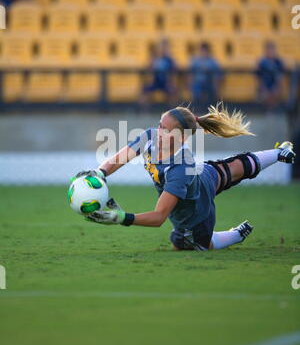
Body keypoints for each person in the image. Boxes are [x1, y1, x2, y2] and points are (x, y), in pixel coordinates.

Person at [75, 103, 296, 252]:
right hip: (204, 176)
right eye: (160, 124)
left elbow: (159, 216)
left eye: (165, 129)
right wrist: (100, 172)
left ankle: (234, 235)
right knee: (235, 167)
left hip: (194, 213)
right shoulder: (151, 137)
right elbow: (122, 156)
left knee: (185, 243)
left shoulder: (179, 168)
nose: (158, 130)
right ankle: (280, 153)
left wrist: (121, 218)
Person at [139, 39, 177, 109]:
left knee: (173, 91)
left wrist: (171, 82)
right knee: (144, 90)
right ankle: (143, 111)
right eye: (162, 46)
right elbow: (148, 68)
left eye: (165, 47)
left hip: (166, 82)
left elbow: (174, 70)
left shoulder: (169, 59)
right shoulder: (154, 58)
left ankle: (172, 112)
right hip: (155, 82)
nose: (163, 49)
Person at [188, 42, 222, 111]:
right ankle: (197, 109)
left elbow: (217, 75)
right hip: (197, 83)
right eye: (202, 51)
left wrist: (216, 85)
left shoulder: (212, 62)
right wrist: (189, 83)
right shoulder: (195, 61)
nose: (203, 53)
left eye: (205, 51)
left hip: (209, 83)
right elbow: (190, 73)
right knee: (196, 88)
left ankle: (210, 109)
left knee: (211, 90)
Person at [256, 41, 285, 111]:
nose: (270, 52)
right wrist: (263, 88)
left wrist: (276, 88)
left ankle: (273, 109)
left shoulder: (278, 62)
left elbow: (280, 78)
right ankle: (268, 109)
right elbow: (259, 78)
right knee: (264, 94)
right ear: (265, 51)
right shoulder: (262, 62)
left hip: (275, 86)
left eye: (272, 50)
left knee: (276, 92)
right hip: (265, 87)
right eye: (268, 50)